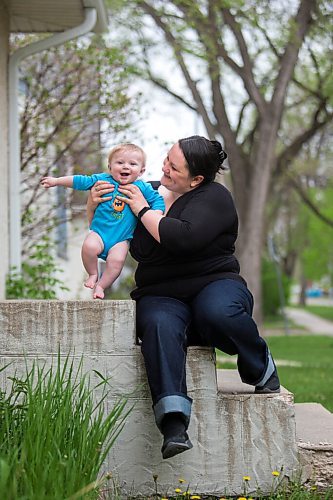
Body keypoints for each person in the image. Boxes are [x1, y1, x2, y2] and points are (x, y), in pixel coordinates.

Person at [88, 135, 280, 459]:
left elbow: (181, 238)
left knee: (217, 312)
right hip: (160, 293)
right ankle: (174, 424)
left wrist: (142, 209)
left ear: (196, 179)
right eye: (165, 159)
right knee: (160, 326)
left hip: (214, 283)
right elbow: (107, 231)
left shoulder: (214, 197)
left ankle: (259, 366)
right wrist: (94, 206)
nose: (163, 167)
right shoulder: (143, 188)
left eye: (173, 166)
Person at [41, 143, 165, 299]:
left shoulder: (142, 188)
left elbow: (158, 200)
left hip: (121, 239)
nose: (125, 167)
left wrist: (156, 213)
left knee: (117, 261)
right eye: (120, 162)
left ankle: (101, 285)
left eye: (132, 164)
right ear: (110, 166)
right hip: (99, 233)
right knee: (89, 246)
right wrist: (57, 181)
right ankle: (93, 274)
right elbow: (80, 181)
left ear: (141, 171)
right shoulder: (102, 180)